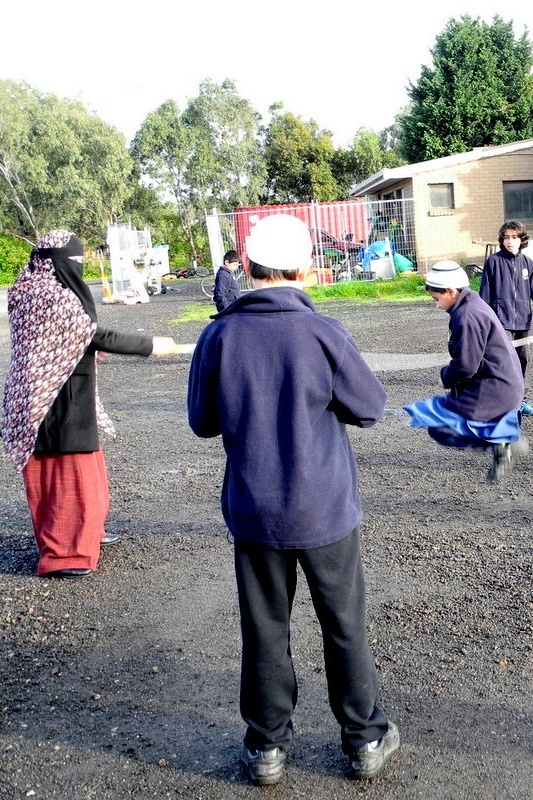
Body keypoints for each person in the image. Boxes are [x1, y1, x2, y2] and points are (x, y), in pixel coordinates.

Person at [187, 214, 399, 786]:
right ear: (305, 269)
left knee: (264, 628)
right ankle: (364, 739)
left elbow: (202, 422)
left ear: (248, 266)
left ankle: (267, 750)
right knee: (344, 623)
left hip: (255, 510)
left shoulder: (220, 335)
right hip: (325, 508)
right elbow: (370, 406)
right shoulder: (324, 332)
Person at [1, 229, 177, 579]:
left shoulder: (31, 288)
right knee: (64, 473)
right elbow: (93, 335)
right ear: (54, 261)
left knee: (85, 472)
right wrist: (148, 345)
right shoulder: (47, 295)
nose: (78, 268)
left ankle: (88, 533)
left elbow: (79, 337)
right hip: (50, 396)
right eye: (75, 262)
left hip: (64, 389)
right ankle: (64, 554)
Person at [404, 260, 528, 482]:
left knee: (439, 427)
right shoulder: (472, 304)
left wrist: (446, 376)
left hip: (496, 387)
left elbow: (466, 365)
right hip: (500, 382)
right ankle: (502, 438)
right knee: (441, 414)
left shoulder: (467, 315)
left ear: (451, 291)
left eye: (437, 298)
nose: (437, 305)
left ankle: (504, 441)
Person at [479, 220, 533, 416]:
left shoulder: (528, 264)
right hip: (501, 322)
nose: (510, 241)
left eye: (515, 237)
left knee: (523, 359)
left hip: (523, 321)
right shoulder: (493, 262)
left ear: (522, 240)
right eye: (506, 238)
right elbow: (484, 294)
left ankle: (521, 400)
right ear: (502, 240)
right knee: (503, 361)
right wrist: (485, 322)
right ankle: (503, 400)